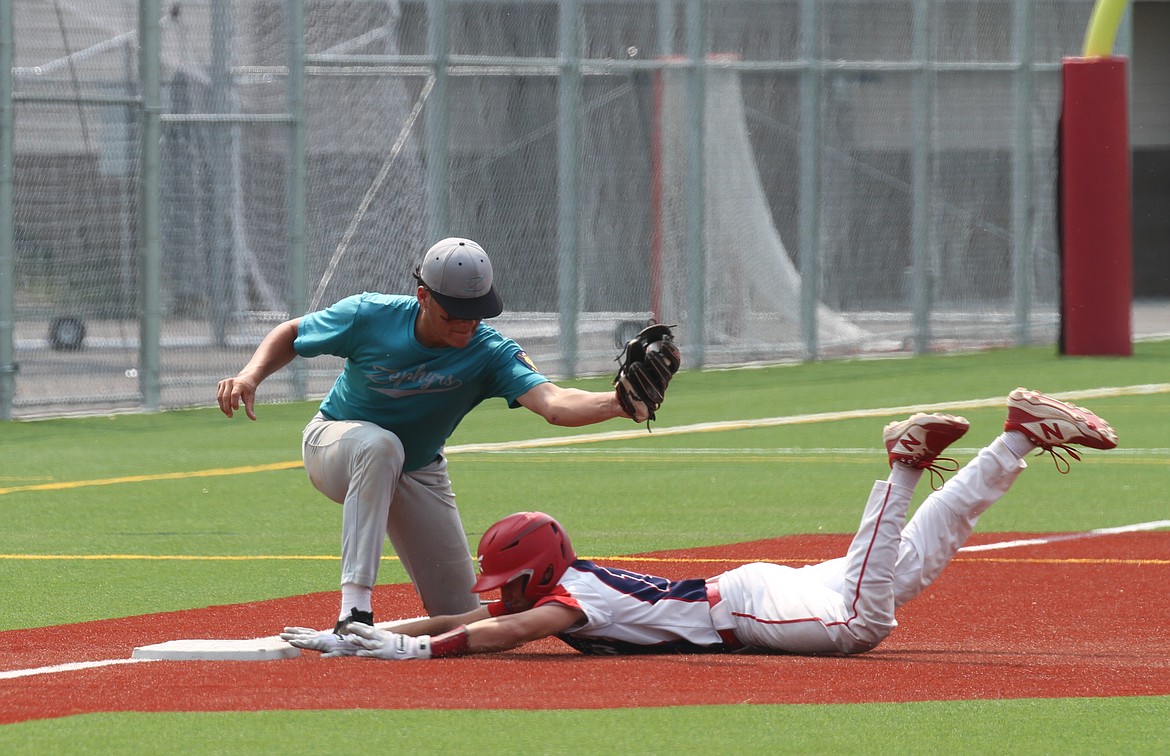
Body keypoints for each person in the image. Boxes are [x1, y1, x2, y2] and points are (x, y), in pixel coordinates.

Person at [281, 387, 1118, 658]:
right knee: (909, 563)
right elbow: (473, 615)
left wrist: (407, 651)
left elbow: (502, 633)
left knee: (866, 623)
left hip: (744, 608)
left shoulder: (570, 601)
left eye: (512, 579)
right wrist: (362, 628)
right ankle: (1015, 439)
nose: (505, 594)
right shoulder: (565, 581)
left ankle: (902, 463)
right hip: (752, 589)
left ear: (539, 568)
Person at [218, 237, 662, 633]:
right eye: (456, 315)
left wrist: (617, 404)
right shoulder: (370, 315)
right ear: (424, 297)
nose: (467, 326)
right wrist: (251, 375)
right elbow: (293, 332)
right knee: (379, 444)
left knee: (457, 613)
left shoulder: (488, 351)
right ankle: (354, 610)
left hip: (419, 471)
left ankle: (380, 637)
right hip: (335, 446)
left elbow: (552, 403)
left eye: (477, 314)